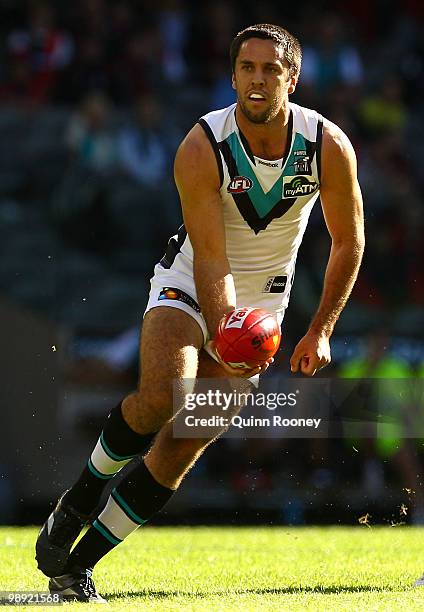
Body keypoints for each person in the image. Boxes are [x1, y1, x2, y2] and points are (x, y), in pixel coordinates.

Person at [35, 23, 365, 602]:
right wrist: (227, 326)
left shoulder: (327, 146)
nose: (257, 80)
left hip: (265, 303)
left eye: (270, 70)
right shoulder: (202, 145)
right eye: (246, 69)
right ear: (232, 75)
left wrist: (320, 329)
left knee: (191, 435)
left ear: (292, 77)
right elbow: (211, 257)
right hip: (190, 283)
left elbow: (348, 240)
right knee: (166, 392)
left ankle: (79, 563)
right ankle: (78, 501)